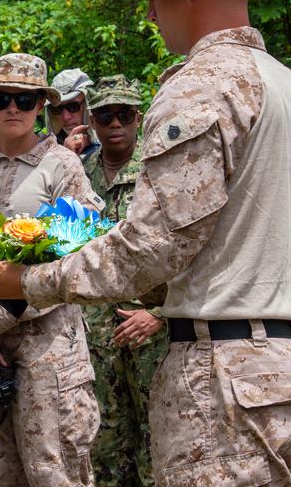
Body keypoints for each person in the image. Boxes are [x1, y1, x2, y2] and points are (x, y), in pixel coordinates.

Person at [0, 0, 291, 485]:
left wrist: (22, 283)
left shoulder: (202, 86)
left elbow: (150, 248)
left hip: (228, 382)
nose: (150, 12)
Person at [0, 53, 103, 487]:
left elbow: (75, 256)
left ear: (42, 104)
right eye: (1, 99)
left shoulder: (63, 166)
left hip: (48, 346)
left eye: (24, 99)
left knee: (55, 472)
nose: (12, 109)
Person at [80, 75, 167, 487]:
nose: (116, 123)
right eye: (105, 114)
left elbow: (190, 252)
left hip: (151, 334)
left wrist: (158, 315)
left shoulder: (161, 171)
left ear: (139, 117)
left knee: (158, 442)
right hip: (94, 335)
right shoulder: (79, 175)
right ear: (92, 120)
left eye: (125, 114)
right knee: (105, 442)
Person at [44, 68, 98, 159]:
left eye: (73, 107)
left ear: (88, 104)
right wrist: (65, 155)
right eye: (57, 109)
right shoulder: (44, 149)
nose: (65, 117)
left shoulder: (112, 140)